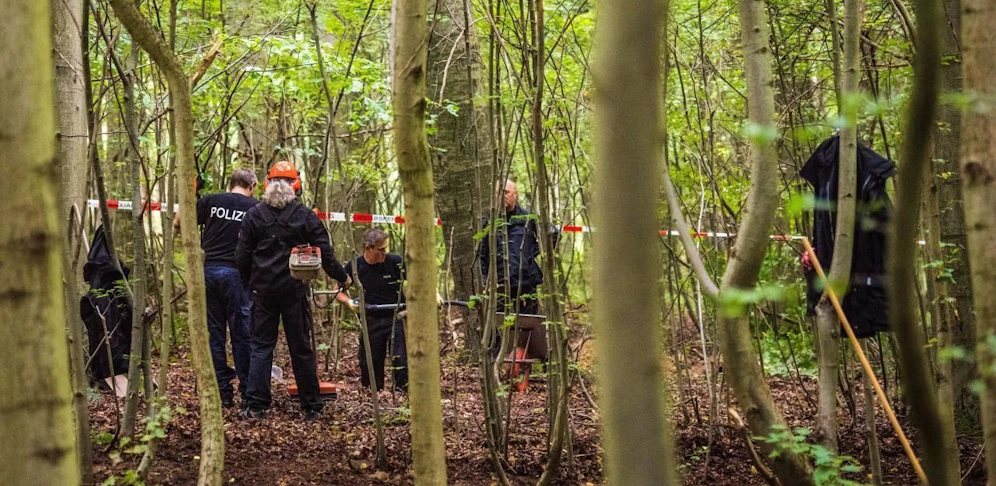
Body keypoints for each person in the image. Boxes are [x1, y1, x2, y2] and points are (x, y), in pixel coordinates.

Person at [235, 161, 349, 420]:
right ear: (296, 186)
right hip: (294, 291)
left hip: (263, 292)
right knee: (300, 347)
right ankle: (311, 406)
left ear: (267, 184)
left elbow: (241, 256)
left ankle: (257, 406)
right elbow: (325, 253)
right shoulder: (305, 216)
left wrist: (251, 283)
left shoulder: (254, 215)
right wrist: (342, 277)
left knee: (261, 346)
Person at [175, 169, 258, 409]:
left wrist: (190, 193)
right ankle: (247, 393)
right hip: (237, 274)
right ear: (252, 186)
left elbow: (179, 223)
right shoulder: (255, 208)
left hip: (208, 272)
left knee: (214, 334)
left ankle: (222, 393)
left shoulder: (211, 201)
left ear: (230, 184)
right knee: (242, 334)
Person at [335, 228, 408, 392]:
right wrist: (349, 302)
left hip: (396, 317)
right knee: (370, 361)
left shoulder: (395, 262)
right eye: (380, 249)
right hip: (370, 319)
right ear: (368, 248)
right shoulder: (355, 267)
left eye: (385, 248)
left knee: (400, 359)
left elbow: (418, 281)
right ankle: (373, 394)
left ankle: (402, 394)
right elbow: (337, 291)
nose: (384, 253)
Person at [480, 179, 543, 315]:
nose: (502, 196)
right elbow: (482, 255)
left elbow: (552, 236)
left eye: (506, 192)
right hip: (499, 286)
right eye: (499, 193)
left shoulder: (529, 218)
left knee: (528, 323)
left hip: (526, 283)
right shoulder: (489, 223)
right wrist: (485, 282)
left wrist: (529, 256)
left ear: (515, 194)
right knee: (497, 323)